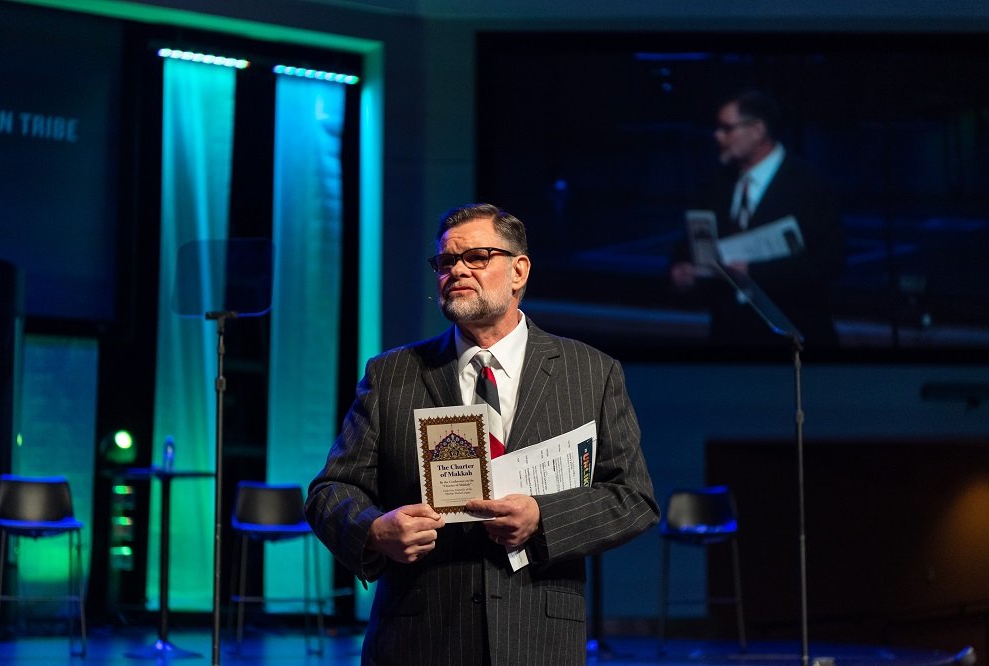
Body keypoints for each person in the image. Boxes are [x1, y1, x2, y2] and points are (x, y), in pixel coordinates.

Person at [304, 203, 658, 665]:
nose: (456, 271)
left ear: (519, 270)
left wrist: (541, 518)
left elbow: (634, 498)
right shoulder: (392, 375)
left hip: (538, 637)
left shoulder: (591, 372)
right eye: (446, 262)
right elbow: (330, 491)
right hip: (420, 637)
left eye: (475, 257)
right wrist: (373, 530)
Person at [670, 90, 845, 348]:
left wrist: (753, 273)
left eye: (727, 129)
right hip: (729, 338)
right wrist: (681, 270)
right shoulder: (717, 185)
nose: (717, 136)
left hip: (792, 338)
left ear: (757, 130)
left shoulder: (808, 185)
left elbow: (829, 261)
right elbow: (690, 243)